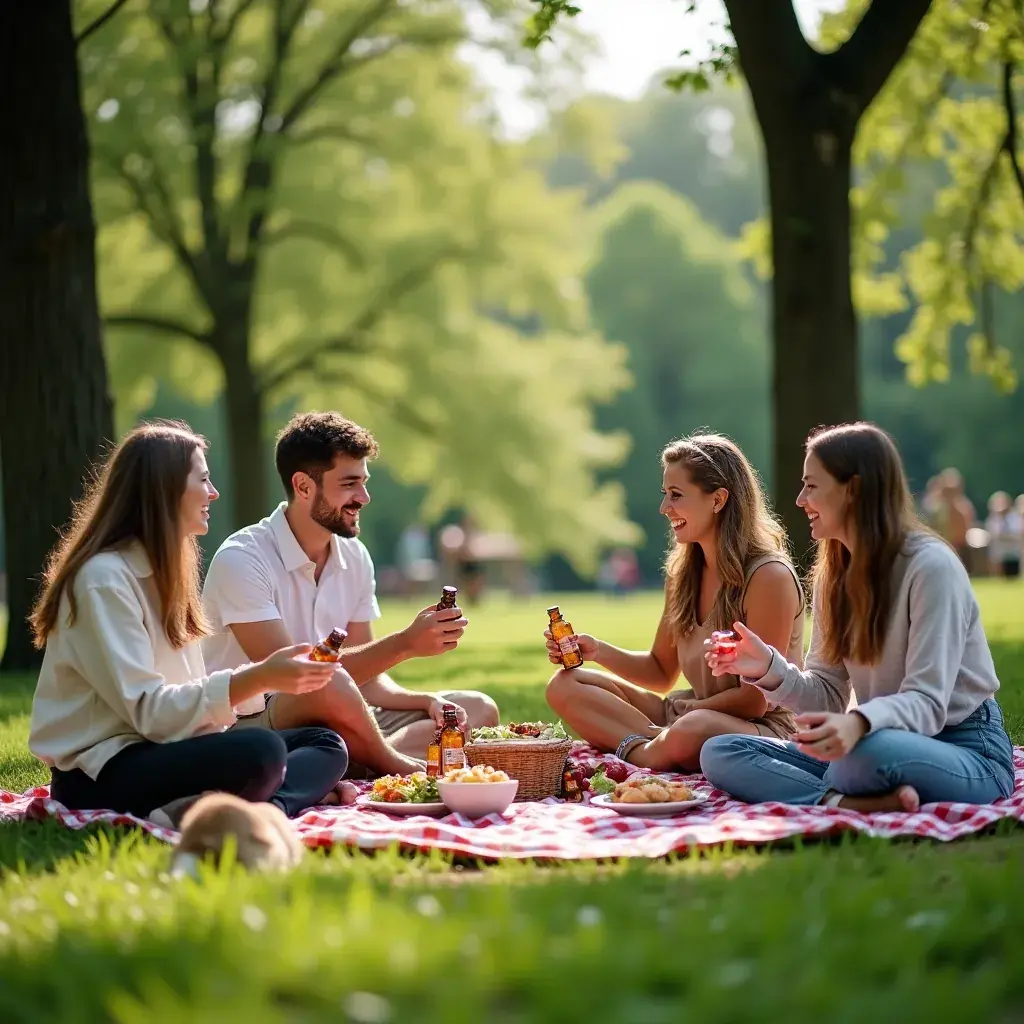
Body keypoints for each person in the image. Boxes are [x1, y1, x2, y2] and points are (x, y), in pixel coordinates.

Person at [28, 421, 348, 827]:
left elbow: (183, 697)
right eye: (203, 479)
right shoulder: (102, 580)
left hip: (164, 748)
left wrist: (265, 679)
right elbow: (149, 712)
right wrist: (261, 677)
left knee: (325, 742)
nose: (213, 492)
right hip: (101, 771)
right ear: (164, 488)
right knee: (262, 752)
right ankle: (261, 800)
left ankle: (269, 808)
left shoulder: (166, 574)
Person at [701, 422, 1015, 812]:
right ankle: (842, 801)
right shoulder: (833, 577)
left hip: (966, 749)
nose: (800, 500)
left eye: (811, 486)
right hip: (872, 739)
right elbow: (828, 696)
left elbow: (928, 703)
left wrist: (858, 724)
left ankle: (839, 787)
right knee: (720, 751)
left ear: (853, 489)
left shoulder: (931, 567)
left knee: (858, 758)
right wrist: (767, 668)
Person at [201, 411, 499, 776]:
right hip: (256, 723)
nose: (364, 497)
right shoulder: (242, 559)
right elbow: (297, 680)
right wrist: (404, 644)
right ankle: (396, 765)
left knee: (475, 709)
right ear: (304, 487)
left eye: (364, 482)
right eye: (349, 484)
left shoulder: (354, 556)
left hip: (341, 710)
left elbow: (368, 679)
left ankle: (359, 758)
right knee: (326, 682)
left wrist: (425, 701)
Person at [545, 434, 804, 771]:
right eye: (665, 494)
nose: (665, 508)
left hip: (757, 730)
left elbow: (754, 701)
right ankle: (653, 747)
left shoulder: (768, 577)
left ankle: (643, 751)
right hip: (686, 715)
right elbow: (660, 671)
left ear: (718, 499)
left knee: (691, 729)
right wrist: (597, 651)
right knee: (565, 685)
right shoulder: (682, 574)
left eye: (676, 495)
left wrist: (687, 715)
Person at [985, 490, 1022, 578]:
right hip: (998, 555)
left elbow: (1017, 534)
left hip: (1013, 554)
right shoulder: (993, 519)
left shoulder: (1015, 518)